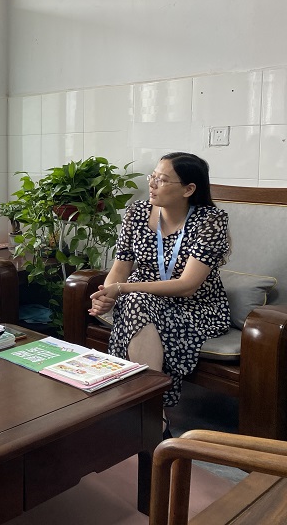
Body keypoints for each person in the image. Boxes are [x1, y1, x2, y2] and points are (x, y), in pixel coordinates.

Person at [88, 152, 231, 409]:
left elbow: (187, 286)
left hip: (195, 307)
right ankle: (152, 412)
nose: (152, 185)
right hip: (140, 300)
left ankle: (145, 410)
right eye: (152, 177)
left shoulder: (211, 220)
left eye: (162, 180)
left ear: (188, 189)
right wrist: (107, 295)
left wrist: (121, 289)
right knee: (136, 303)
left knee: (134, 303)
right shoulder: (137, 212)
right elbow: (120, 267)